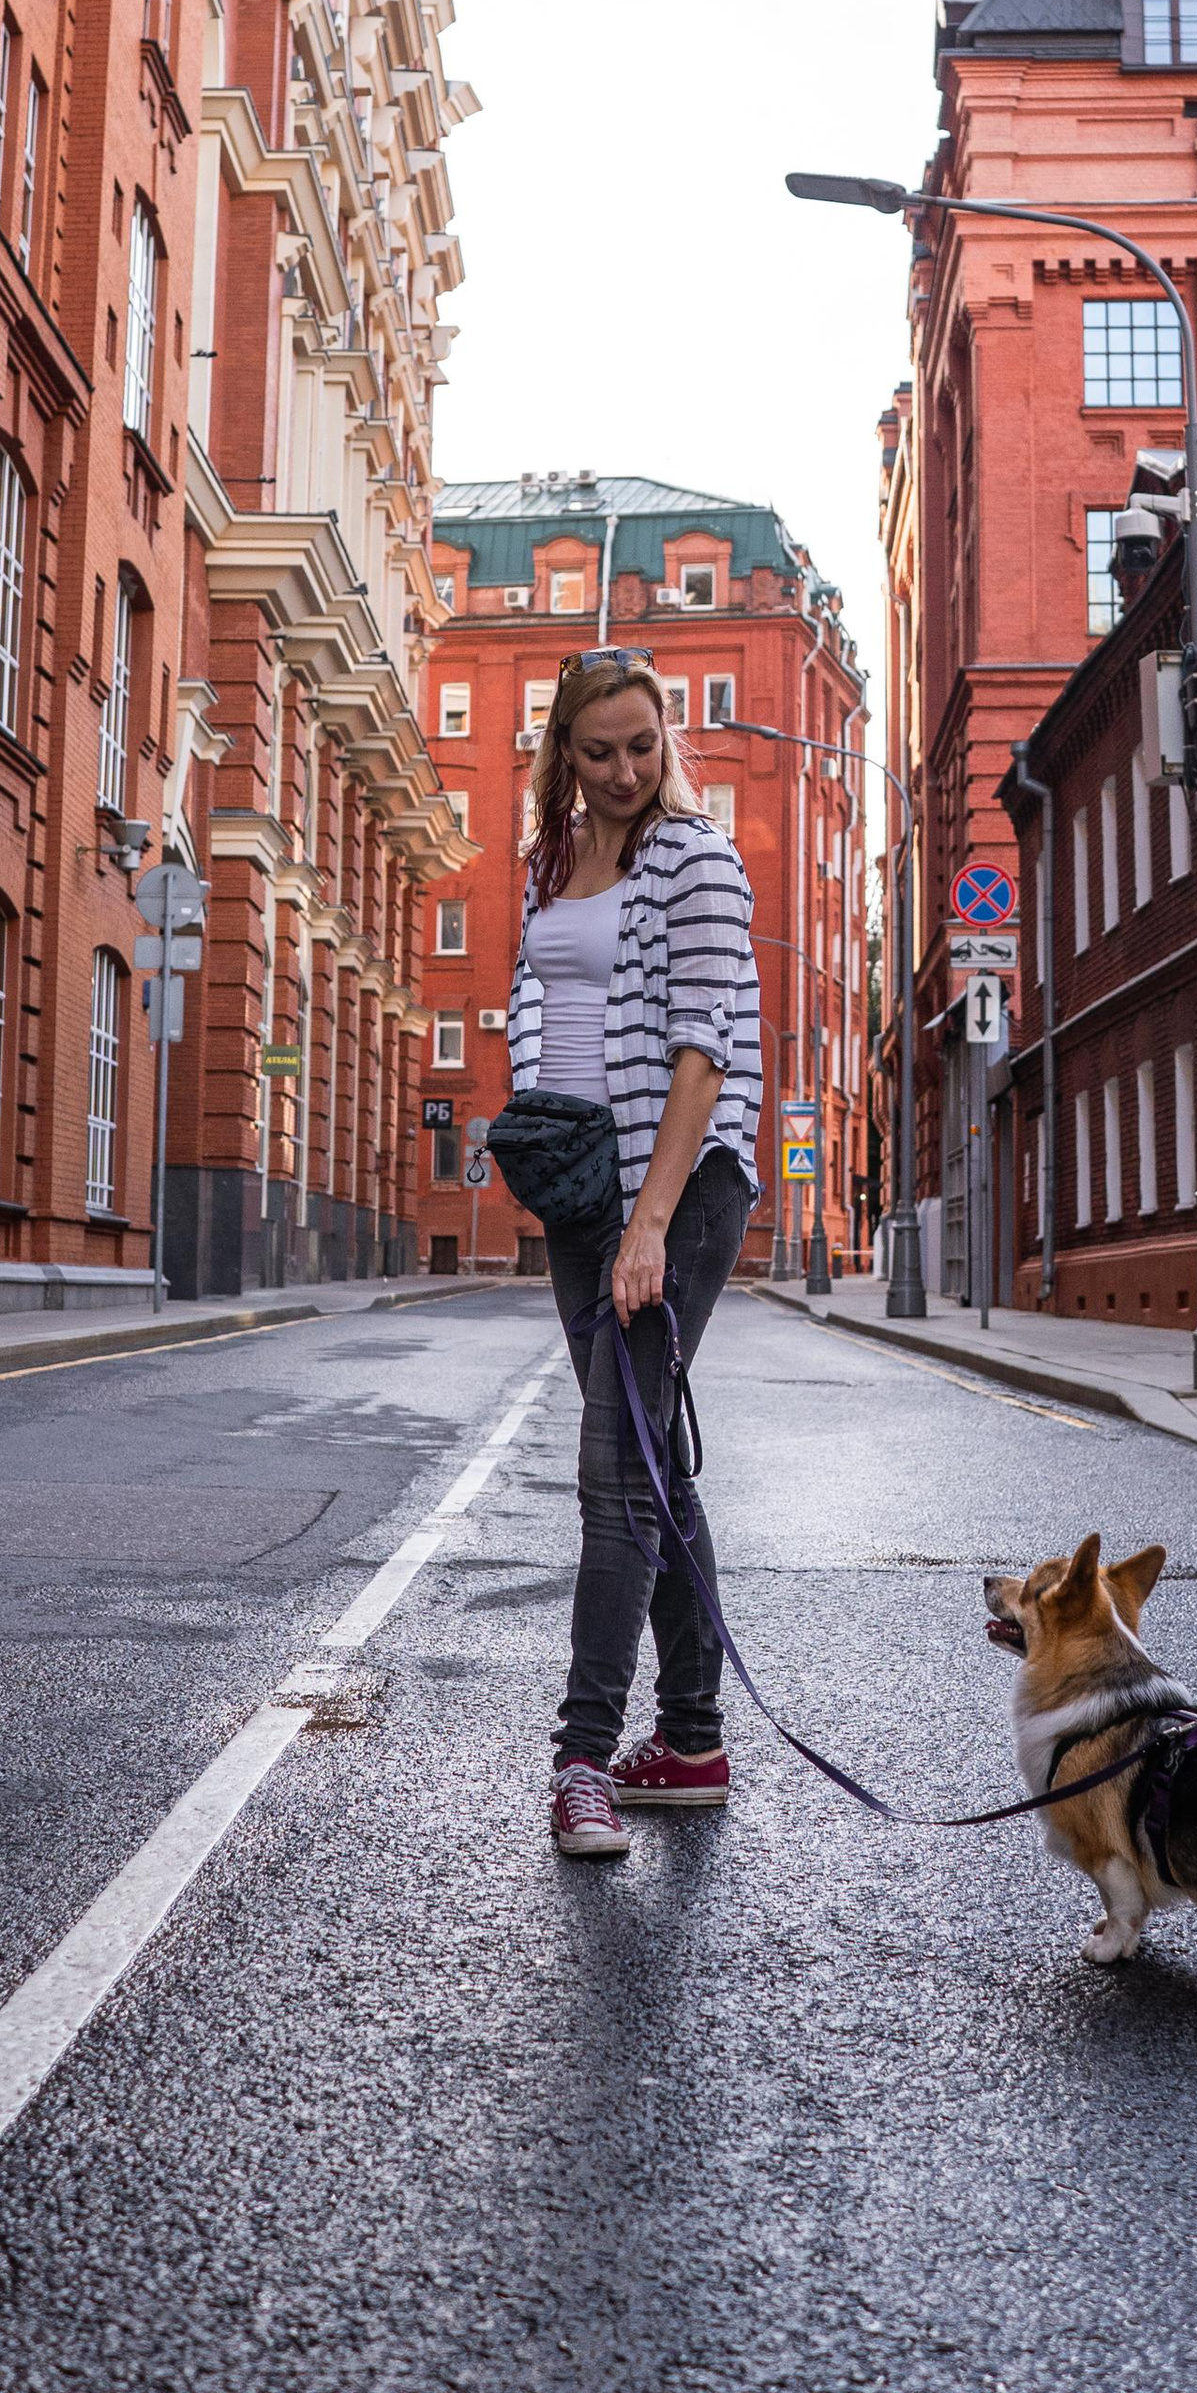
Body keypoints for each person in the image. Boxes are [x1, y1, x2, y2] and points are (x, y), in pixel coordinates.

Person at [508, 648, 762, 1858]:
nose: (623, 772)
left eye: (643, 747)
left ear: (667, 741)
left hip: (677, 1186)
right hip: (579, 1182)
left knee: (614, 1472)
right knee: (654, 1467)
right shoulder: (550, 863)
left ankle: (583, 1763)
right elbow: (536, 1001)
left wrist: (649, 1222)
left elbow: (703, 1049)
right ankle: (693, 1741)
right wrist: (535, 1137)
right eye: (599, 751)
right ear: (563, 753)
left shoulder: (695, 860)